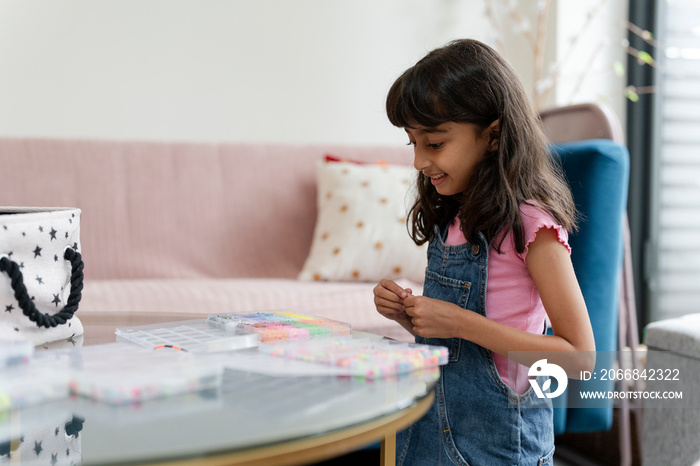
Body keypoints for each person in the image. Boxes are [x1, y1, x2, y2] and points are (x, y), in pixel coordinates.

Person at [373, 39, 596, 465]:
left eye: (434, 144)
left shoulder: (531, 224)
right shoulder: (452, 214)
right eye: (412, 143)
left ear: (492, 136)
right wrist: (411, 315)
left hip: (498, 448)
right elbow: (453, 341)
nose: (420, 160)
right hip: (430, 441)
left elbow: (580, 358)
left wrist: (460, 322)